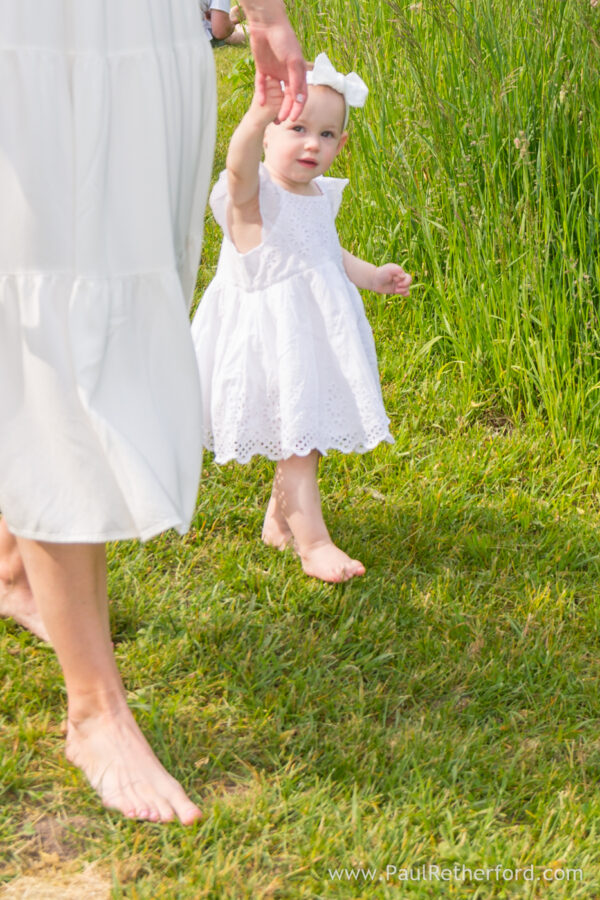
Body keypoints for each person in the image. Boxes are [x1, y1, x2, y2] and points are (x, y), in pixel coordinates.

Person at [0, 0, 306, 825]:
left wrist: (266, 11)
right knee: (56, 307)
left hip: (142, 29)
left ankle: (16, 565)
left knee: (127, 280)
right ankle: (94, 710)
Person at [191, 53, 412, 584]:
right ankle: (313, 543)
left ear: (341, 144)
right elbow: (237, 170)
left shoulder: (316, 195)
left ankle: (279, 521)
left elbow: (327, 253)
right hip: (272, 344)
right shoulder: (254, 198)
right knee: (299, 443)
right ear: (268, 134)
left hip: (311, 340)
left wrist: (373, 276)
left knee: (303, 432)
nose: (312, 144)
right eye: (297, 128)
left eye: (327, 134)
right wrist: (253, 118)